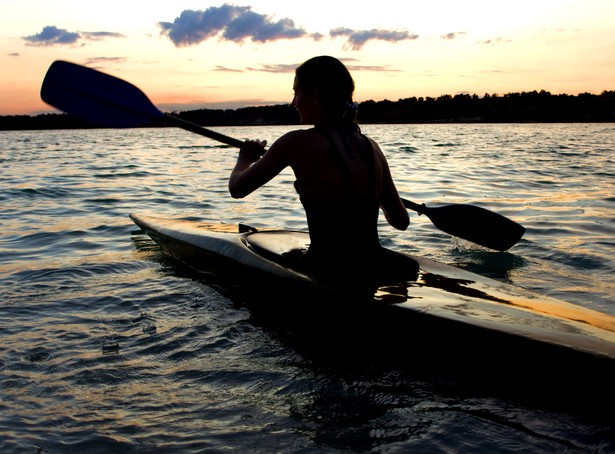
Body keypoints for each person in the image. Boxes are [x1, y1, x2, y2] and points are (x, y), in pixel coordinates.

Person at [229, 56, 415, 286]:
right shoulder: (372, 148)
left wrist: (244, 158)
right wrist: (370, 196)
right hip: (372, 265)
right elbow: (400, 220)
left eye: (297, 93)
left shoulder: (296, 142)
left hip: (327, 268)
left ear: (315, 96)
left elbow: (237, 189)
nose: (293, 102)